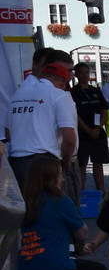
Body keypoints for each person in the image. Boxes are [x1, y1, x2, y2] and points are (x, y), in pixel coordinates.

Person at [18, 154, 104, 270]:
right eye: (60, 174)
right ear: (51, 178)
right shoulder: (60, 201)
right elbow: (82, 232)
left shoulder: (26, 202)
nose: (63, 180)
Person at [7, 53, 77, 182]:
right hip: (46, 162)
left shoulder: (18, 94)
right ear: (63, 81)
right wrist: (66, 163)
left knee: (25, 201)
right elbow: (70, 138)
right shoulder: (59, 95)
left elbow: (8, 130)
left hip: (17, 161)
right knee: (51, 201)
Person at [71, 62, 109, 194]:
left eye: (86, 72)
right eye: (80, 72)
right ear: (76, 74)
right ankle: (80, 194)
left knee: (98, 163)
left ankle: (101, 192)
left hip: (98, 133)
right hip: (82, 133)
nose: (84, 75)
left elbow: (104, 111)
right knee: (81, 164)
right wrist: (88, 130)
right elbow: (74, 114)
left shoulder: (96, 91)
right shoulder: (72, 92)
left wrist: (98, 128)